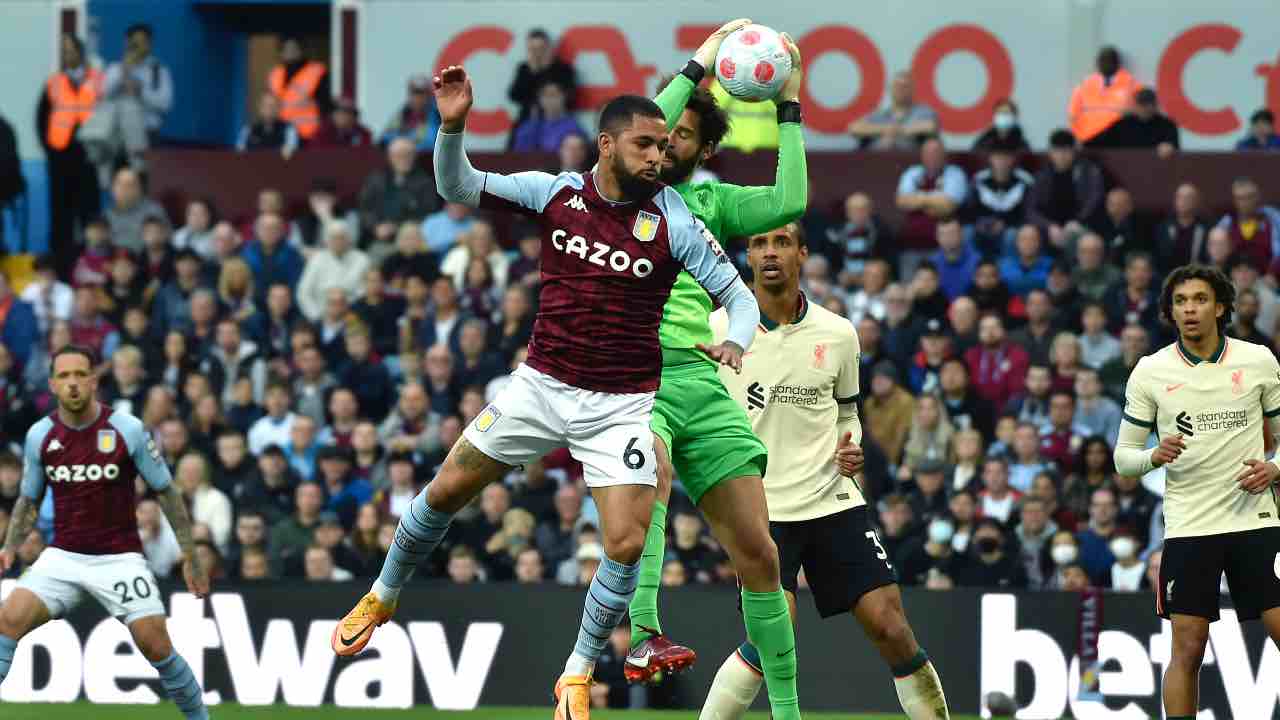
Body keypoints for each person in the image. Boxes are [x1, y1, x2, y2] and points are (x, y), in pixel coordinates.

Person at [329, 58, 769, 720]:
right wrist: (452, 128)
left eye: (665, 143)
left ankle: (577, 671)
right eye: (646, 144)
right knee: (446, 490)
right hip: (540, 387)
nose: (659, 156)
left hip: (620, 405)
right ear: (607, 144)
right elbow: (457, 186)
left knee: (624, 541)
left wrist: (736, 337)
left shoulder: (674, 219)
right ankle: (384, 593)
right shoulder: (554, 192)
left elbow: (739, 298)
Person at [595, 25, 807, 699]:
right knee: (650, 472)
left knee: (761, 554)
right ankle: (646, 631)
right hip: (635, 372)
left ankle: (787, 711)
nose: (667, 144)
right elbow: (643, 131)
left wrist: (789, 105)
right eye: (659, 135)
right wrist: (699, 62)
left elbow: (789, 201)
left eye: (682, 135)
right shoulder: (626, 192)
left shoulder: (712, 204)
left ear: (706, 147)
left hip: (701, 378)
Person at [699, 221, 950, 719]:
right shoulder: (718, 330)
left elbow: (847, 411)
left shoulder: (838, 333)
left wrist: (850, 445)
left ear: (802, 254)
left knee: (892, 627)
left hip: (832, 499)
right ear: (747, 258)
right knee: (776, 634)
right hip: (759, 507)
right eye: (758, 244)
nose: (770, 253)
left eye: (782, 242)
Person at [0, 345, 211, 718]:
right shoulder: (40, 436)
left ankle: (200, 718)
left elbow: (166, 491)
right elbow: (29, 499)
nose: (73, 383)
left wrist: (191, 555)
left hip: (119, 557)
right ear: (52, 384)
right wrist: (10, 545)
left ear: (94, 380)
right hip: (63, 555)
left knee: (155, 645)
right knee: (7, 620)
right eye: (64, 376)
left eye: (80, 374)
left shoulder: (127, 429)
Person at [1114, 263, 1280, 718]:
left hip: (1255, 519)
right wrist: (1152, 456)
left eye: (1200, 299)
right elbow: (1123, 458)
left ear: (1221, 306)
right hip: (1190, 526)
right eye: (1181, 301)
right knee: (1187, 648)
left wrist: (1275, 468)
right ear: (1170, 312)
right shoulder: (1150, 371)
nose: (1190, 309)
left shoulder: (1258, 360)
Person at [94, 22, 172, 177]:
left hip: (148, 134)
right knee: (118, 180)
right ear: (127, 43)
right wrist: (124, 70)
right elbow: (100, 96)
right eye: (134, 42)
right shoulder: (115, 69)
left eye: (142, 42)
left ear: (149, 44)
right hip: (118, 135)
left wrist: (141, 92)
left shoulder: (159, 71)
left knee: (144, 180)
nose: (137, 46)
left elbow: (165, 104)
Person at [1028, 130, 1105, 251]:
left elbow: (1095, 200)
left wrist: (1078, 221)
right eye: (1057, 151)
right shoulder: (1042, 176)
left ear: (1074, 152)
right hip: (1048, 227)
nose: (1062, 156)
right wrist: (1049, 226)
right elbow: (1031, 209)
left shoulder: (1088, 172)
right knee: (1027, 235)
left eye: (1066, 150)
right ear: (1050, 152)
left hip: (1080, 225)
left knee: (1079, 238)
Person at [358, 137, 441, 247]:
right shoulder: (376, 180)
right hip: (376, 237)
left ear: (414, 157)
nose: (404, 159)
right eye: (398, 155)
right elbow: (364, 208)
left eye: (408, 155)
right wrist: (375, 227)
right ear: (390, 157)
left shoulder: (425, 183)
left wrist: (397, 227)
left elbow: (428, 215)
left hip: (410, 239)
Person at [894, 136, 967, 250]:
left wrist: (918, 200)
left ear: (944, 155)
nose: (932, 157)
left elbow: (948, 206)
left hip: (945, 243)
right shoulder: (912, 173)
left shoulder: (955, 174)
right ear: (922, 155)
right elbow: (901, 201)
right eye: (928, 153)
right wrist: (934, 201)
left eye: (936, 153)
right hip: (912, 240)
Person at [965, 138, 1034, 258]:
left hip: (1011, 228)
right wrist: (981, 223)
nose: (1001, 161)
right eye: (997, 157)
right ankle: (974, 268)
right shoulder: (979, 179)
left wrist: (1005, 223)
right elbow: (970, 210)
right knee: (967, 231)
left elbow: (1027, 212)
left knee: (1011, 235)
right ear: (990, 158)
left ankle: (1006, 270)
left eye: (1006, 157)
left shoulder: (1024, 180)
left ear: (1012, 159)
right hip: (983, 227)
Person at [296, 220, 370, 322]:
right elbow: (303, 292)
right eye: (334, 238)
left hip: (352, 315)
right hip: (320, 315)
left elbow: (365, 292)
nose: (338, 241)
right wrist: (317, 317)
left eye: (342, 237)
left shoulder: (362, 259)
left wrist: (347, 310)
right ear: (327, 240)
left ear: (349, 239)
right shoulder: (317, 259)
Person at [507, 28, 578, 130]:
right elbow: (514, 95)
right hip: (529, 119)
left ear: (549, 48)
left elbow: (571, 98)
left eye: (541, 48)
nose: (537, 53)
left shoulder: (564, 69)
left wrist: (546, 69)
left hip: (557, 120)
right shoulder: (524, 69)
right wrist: (532, 72)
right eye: (533, 49)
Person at [849, 71, 938, 150]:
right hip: (877, 161)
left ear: (913, 90)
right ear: (890, 89)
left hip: (912, 161)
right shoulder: (880, 114)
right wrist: (885, 129)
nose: (901, 90)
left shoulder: (922, 112)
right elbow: (854, 128)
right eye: (897, 86)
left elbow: (930, 127)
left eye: (905, 86)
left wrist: (897, 131)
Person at [1070, 46, 1142, 144]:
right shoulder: (1085, 85)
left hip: (1120, 142)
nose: (1105, 64)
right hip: (1090, 140)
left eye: (1109, 60)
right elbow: (1074, 114)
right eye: (1102, 60)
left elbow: (1141, 113)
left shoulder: (1132, 84)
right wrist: (1079, 136)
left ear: (1117, 63)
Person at [267, 35, 330, 143]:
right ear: (281, 53)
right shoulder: (275, 74)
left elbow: (325, 104)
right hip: (282, 135)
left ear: (301, 50)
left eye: (293, 48)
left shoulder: (316, 71)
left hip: (309, 134)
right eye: (286, 49)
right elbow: (269, 104)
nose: (290, 52)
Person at [1089, 88, 1179, 156]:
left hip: (1155, 170)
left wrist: (1169, 147)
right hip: (1123, 172)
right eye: (1143, 104)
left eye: (1151, 104)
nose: (1147, 108)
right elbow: (1099, 143)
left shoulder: (1167, 125)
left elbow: (1174, 147)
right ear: (1135, 105)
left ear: (1156, 105)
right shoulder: (1122, 125)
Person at [511, 80, 586, 153]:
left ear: (564, 96)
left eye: (554, 95)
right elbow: (519, 153)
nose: (550, 99)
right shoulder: (528, 126)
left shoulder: (572, 127)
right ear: (539, 99)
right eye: (545, 95)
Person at [380, 75, 442, 152]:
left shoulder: (436, 114)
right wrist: (401, 142)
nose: (418, 98)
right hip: (403, 153)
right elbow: (386, 136)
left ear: (428, 95)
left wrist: (409, 144)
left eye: (422, 94)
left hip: (426, 158)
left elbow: (433, 141)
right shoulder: (404, 112)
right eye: (415, 93)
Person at [237, 91, 300, 157]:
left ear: (278, 109)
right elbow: (239, 153)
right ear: (260, 108)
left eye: (272, 106)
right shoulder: (248, 130)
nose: (269, 109)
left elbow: (292, 152)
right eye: (265, 105)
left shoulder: (288, 129)